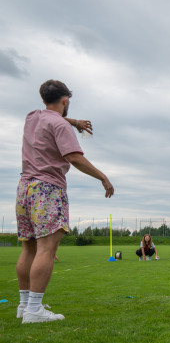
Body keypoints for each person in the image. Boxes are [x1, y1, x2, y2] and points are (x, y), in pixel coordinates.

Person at [16, 80, 114, 323]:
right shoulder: (60, 125)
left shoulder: (33, 117)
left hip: (24, 188)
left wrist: (75, 121)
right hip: (48, 188)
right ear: (65, 99)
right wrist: (103, 177)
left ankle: (24, 305)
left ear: (43, 99)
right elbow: (74, 158)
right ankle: (34, 310)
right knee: (47, 249)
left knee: (28, 247)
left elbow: (52, 116)